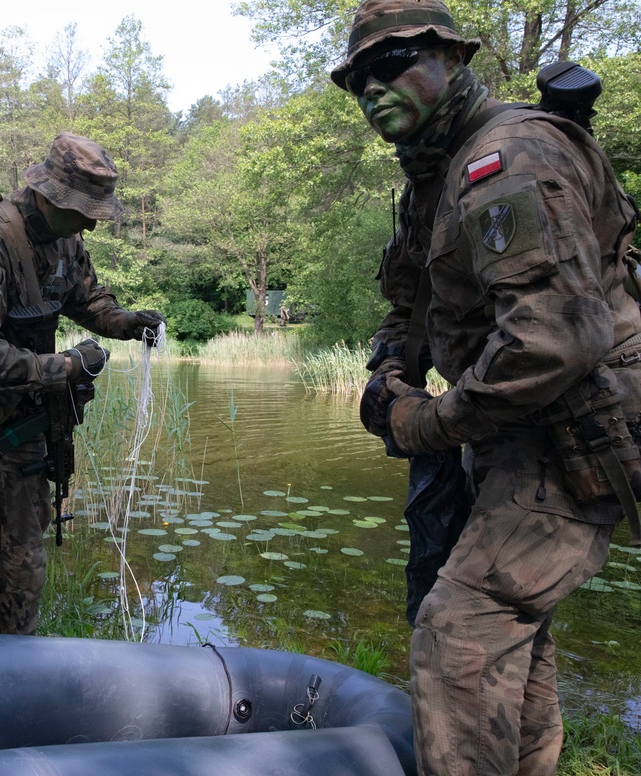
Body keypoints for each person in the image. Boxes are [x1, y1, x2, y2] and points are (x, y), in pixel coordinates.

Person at [333, 1, 641, 773]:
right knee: (511, 635)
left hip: (583, 420)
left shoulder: (506, 159)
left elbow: (554, 338)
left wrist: (428, 422)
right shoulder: (430, 182)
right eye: (356, 79)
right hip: (520, 430)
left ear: (449, 57)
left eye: (393, 62)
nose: (372, 88)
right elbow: (411, 306)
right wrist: (388, 373)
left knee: (459, 634)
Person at [0, 132, 164, 635]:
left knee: (24, 554)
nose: (94, 220)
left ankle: (13, 668)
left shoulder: (67, 243)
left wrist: (125, 322)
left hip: (26, 413)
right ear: (52, 196)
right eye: (86, 208)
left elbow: (88, 300)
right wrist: (68, 366)